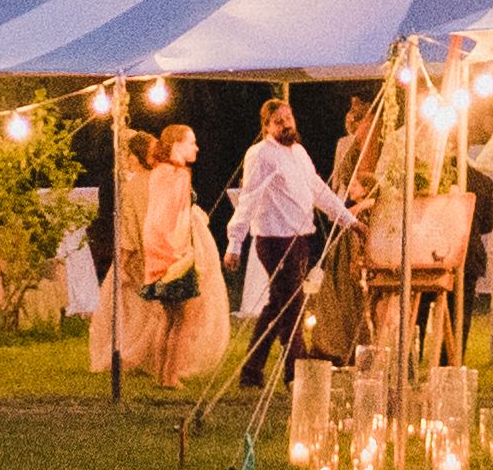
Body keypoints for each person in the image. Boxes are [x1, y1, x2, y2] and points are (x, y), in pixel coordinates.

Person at [230, 92, 349, 389]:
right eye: (278, 122)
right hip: (274, 240)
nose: (285, 125)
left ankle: (251, 372)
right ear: (266, 126)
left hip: (300, 239)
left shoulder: (299, 153)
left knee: (277, 306)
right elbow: (249, 199)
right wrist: (235, 243)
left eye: (288, 118)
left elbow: (319, 191)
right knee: (292, 307)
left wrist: (349, 220)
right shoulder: (260, 154)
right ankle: (297, 372)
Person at [115, 126, 224, 387]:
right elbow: (165, 219)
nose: (196, 148)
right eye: (191, 143)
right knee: (182, 319)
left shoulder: (163, 173)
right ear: (177, 144)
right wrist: (180, 255)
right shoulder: (174, 175)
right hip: (173, 257)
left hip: (161, 257)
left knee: (169, 318)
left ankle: (163, 374)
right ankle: (170, 375)